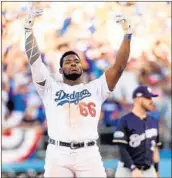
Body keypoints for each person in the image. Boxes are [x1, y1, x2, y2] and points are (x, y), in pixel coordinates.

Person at [24, 4, 132, 177]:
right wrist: (28, 30)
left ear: (82, 68)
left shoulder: (96, 88)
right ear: (60, 70)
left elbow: (118, 68)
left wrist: (127, 35)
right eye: (68, 62)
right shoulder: (50, 87)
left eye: (76, 61)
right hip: (58, 153)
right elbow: (34, 61)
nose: (73, 63)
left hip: (88, 154)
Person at [113, 85, 161, 178]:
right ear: (138, 99)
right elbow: (122, 149)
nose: (151, 101)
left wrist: (157, 170)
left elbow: (155, 148)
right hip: (127, 170)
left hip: (149, 170)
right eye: (148, 97)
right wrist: (133, 168)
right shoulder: (124, 120)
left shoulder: (154, 121)